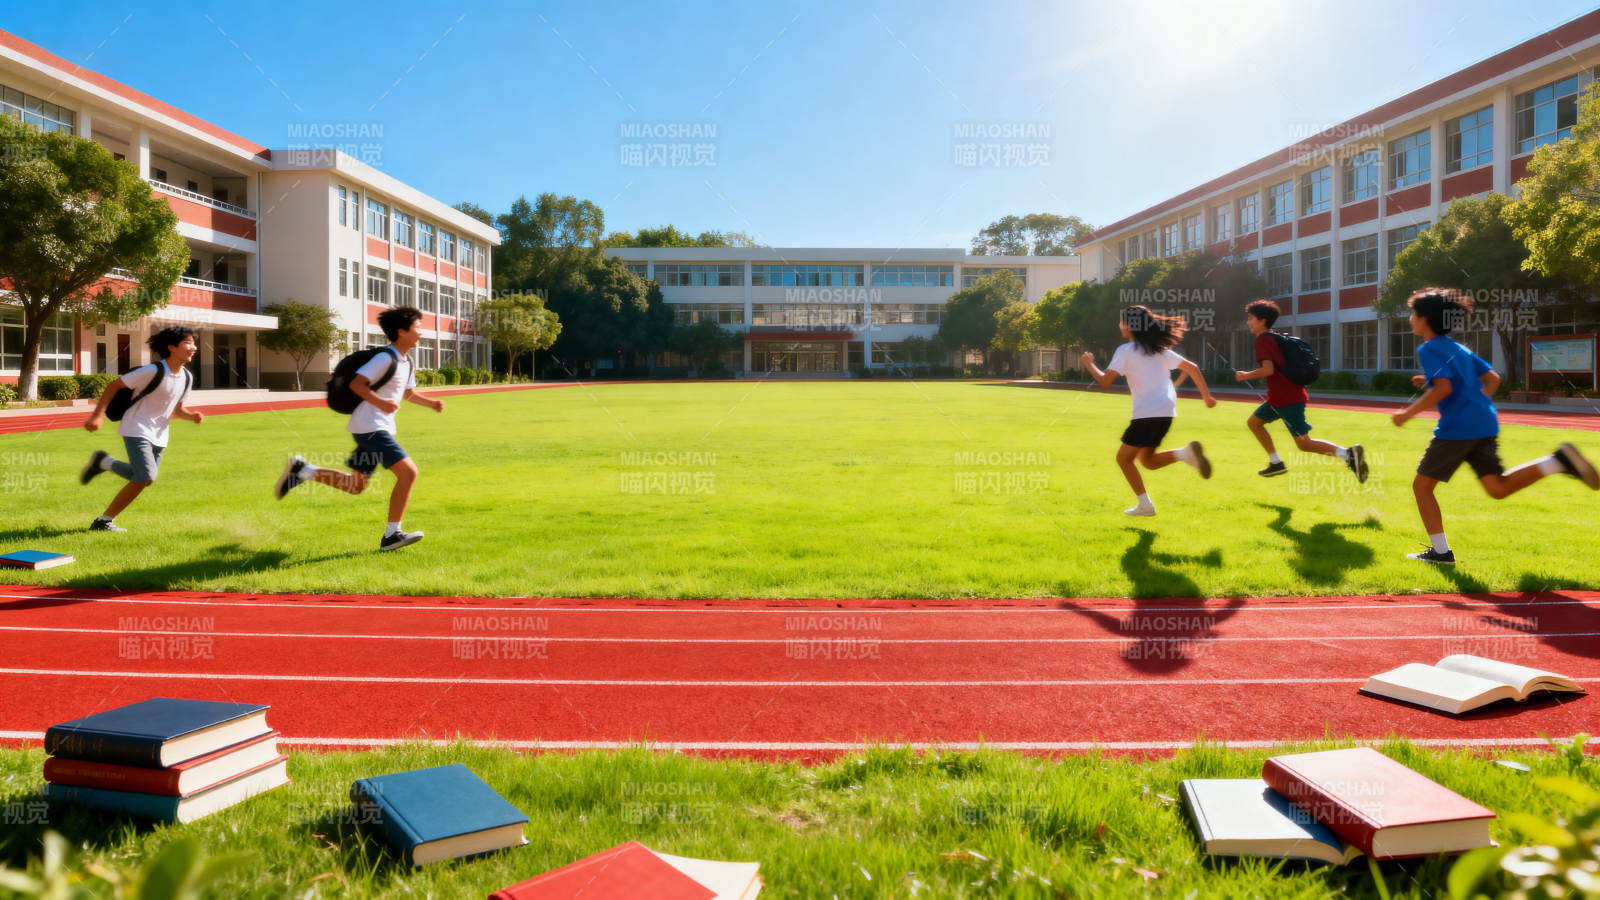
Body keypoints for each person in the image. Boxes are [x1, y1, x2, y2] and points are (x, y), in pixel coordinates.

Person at [1392, 287, 1598, 564]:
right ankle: (1556, 462)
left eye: (1412, 313)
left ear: (1424, 319)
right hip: (1484, 423)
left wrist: (1408, 413)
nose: (1410, 318)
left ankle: (1441, 553)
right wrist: (1474, 403)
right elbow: (1493, 379)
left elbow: (1443, 388)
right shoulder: (1457, 348)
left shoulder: (1429, 348)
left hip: (1457, 430)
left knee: (1422, 487)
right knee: (1497, 488)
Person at [273, 306, 444, 551]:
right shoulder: (385, 358)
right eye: (418, 327)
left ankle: (303, 470)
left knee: (356, 486)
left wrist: (431, 404)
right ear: (401, 331)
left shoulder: (408, 362)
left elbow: (408, 394)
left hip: (375, 427)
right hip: (371, 427)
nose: (422, 332)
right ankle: (392, 535)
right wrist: (381, 403)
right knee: (409, 473)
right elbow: (357, 383)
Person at [1080, 305, 1219, 517]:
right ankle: (1185, 453)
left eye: (1121, 321)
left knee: (1123, 459)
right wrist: (1207, 397)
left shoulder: (1125, 351)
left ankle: (1145, 505)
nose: (1119, 325)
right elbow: (1193, 368)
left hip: (1147, 414)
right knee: (1148, 461)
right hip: (1166, 413)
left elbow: (1105, 381)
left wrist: (1089, 363)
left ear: (1130, 325)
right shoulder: (1160, 350)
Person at [79, 326, 204, 531]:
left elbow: (177, 410)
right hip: (136, 427)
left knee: (143, 479)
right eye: (188, 343)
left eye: (194, 343)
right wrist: (97, 415)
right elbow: (113, 386)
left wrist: (191, 416)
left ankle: (103, 463)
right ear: (171, 347)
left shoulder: (186, 378)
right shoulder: (153, 371)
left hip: (160, 434)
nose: (194, 347)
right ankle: (104, 521)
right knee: (146, 476)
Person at [1234, 299, 1367, 482]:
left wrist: (1244, 376)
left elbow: (1268, 370)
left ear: (1262, 320)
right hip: (1278, 398)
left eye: (1250, 318)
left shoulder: (1262, 341)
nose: (1248, 322)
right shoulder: (1276, 338)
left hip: (1287, 399)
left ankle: (1348, 454)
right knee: (1254, 423)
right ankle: (1276, 462)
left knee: (1304, 443)